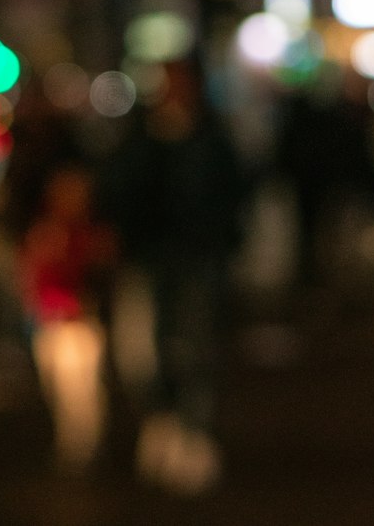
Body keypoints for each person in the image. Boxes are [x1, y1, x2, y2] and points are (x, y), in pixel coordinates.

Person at [99, 58, 246, 493]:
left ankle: (195, 433)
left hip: (197, 257)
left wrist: (220, 237)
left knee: (196, 345)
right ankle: (163, 420)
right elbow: (119, 187)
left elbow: (230, 191)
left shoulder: (211, 137)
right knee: (145, 348)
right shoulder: (143, 135)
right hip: (149, 258)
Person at [17, 163, 115, 472]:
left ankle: (83, 446)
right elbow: (30, 273)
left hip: (79, 322)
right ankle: (71, 443)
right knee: (56, 386)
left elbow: (101, 276)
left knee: (81, 389)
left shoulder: (93, 237)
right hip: (50, 321)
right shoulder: (45, 232)